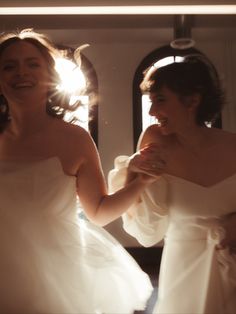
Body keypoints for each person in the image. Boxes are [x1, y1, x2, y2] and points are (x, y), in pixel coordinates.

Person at [0, 29, 154, 313]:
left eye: (32, 64)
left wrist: (141, 181)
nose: (21, 73)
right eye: (9, 66)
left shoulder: (74, 139)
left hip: (54, 275)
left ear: (50, 77)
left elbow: (98, 212)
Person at [109, 54, 236, 314]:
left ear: (193, 100)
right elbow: (147, 230)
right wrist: (133, 171)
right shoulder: (155, 141)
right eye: (151, 102)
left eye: (160, 100)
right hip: (183, 264)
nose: (152, 112)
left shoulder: (233, 146)